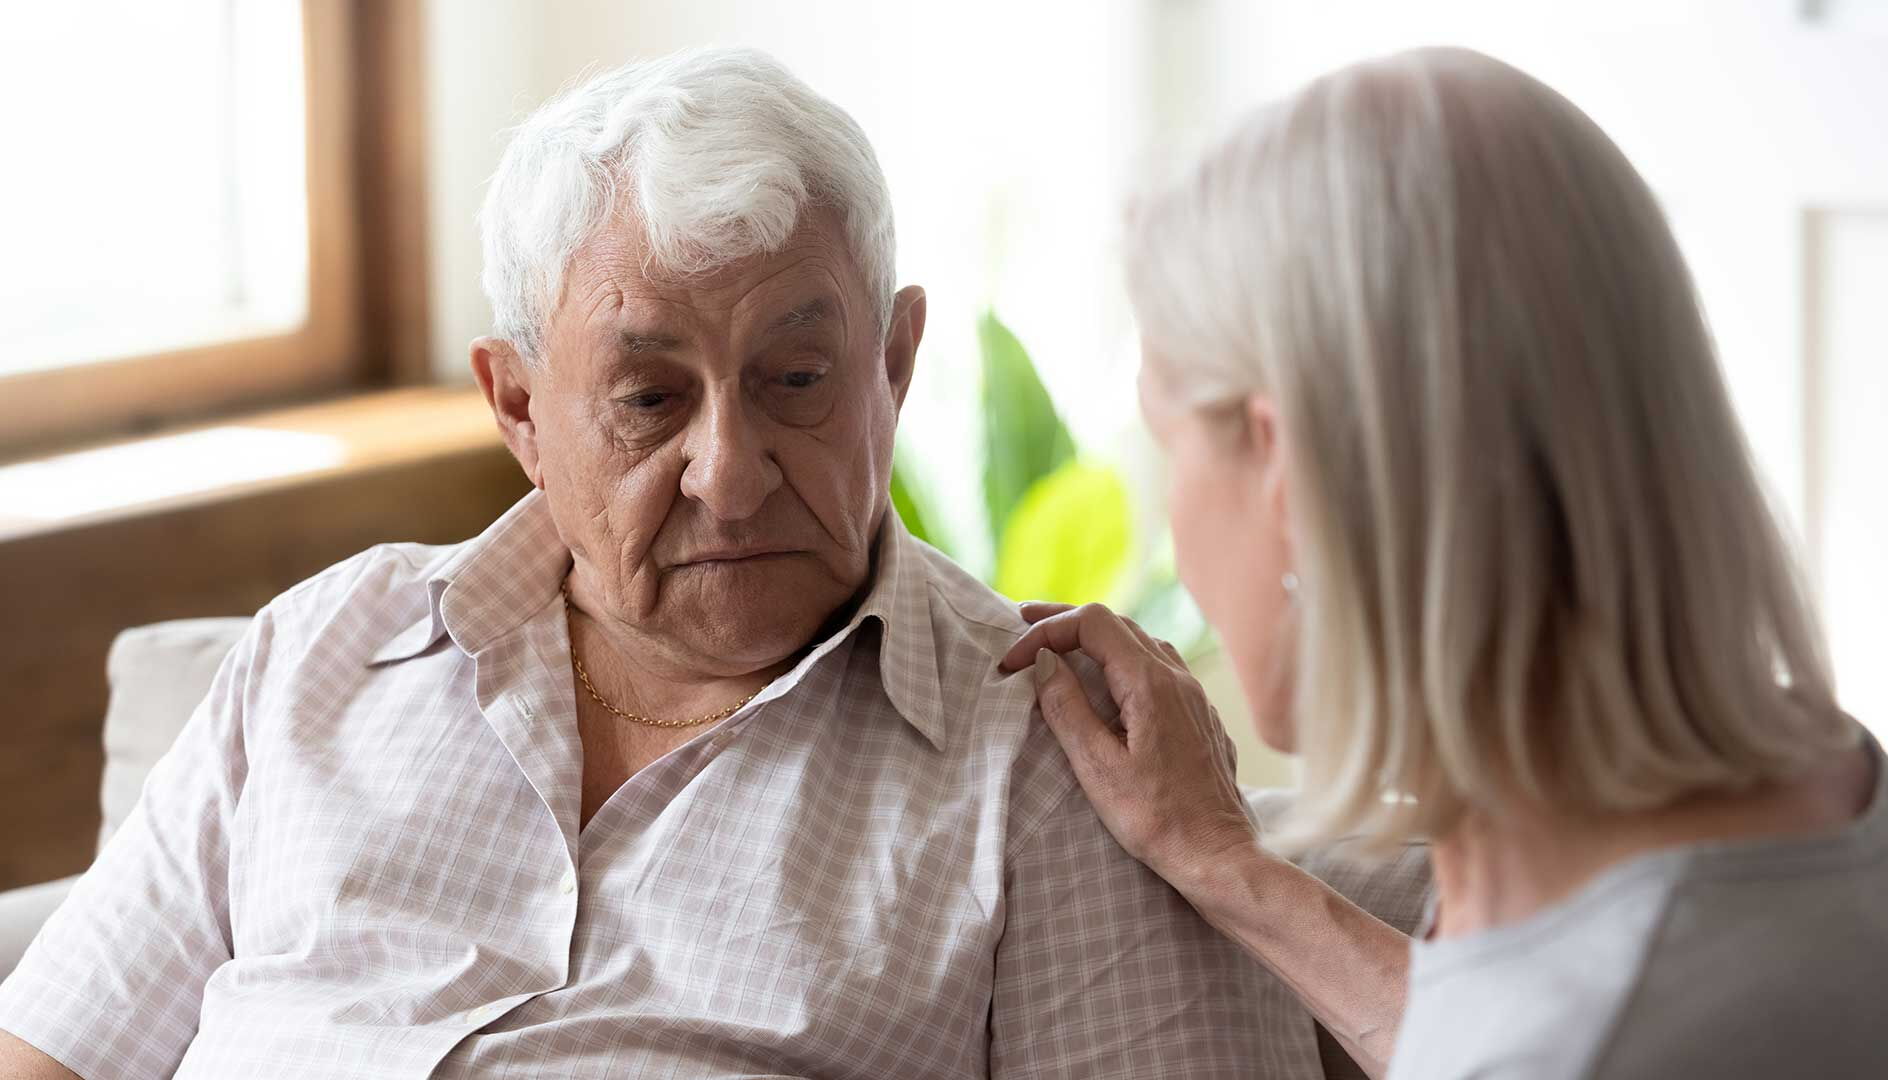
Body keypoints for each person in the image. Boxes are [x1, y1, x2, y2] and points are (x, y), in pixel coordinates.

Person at [0, 48, 1295, 1079]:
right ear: (516, 409)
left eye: (796, 379)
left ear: (893, 369)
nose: (729, 471)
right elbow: (53, 1048)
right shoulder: (322, 653)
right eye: (647, 400)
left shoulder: (1058, 758)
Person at [1000, 46, 1888, 1080]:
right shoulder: (1827, 782)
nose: (1169, 515)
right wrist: (1227, 866)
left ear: (1288, 472)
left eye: (1166, 442)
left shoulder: (1599, 1036)